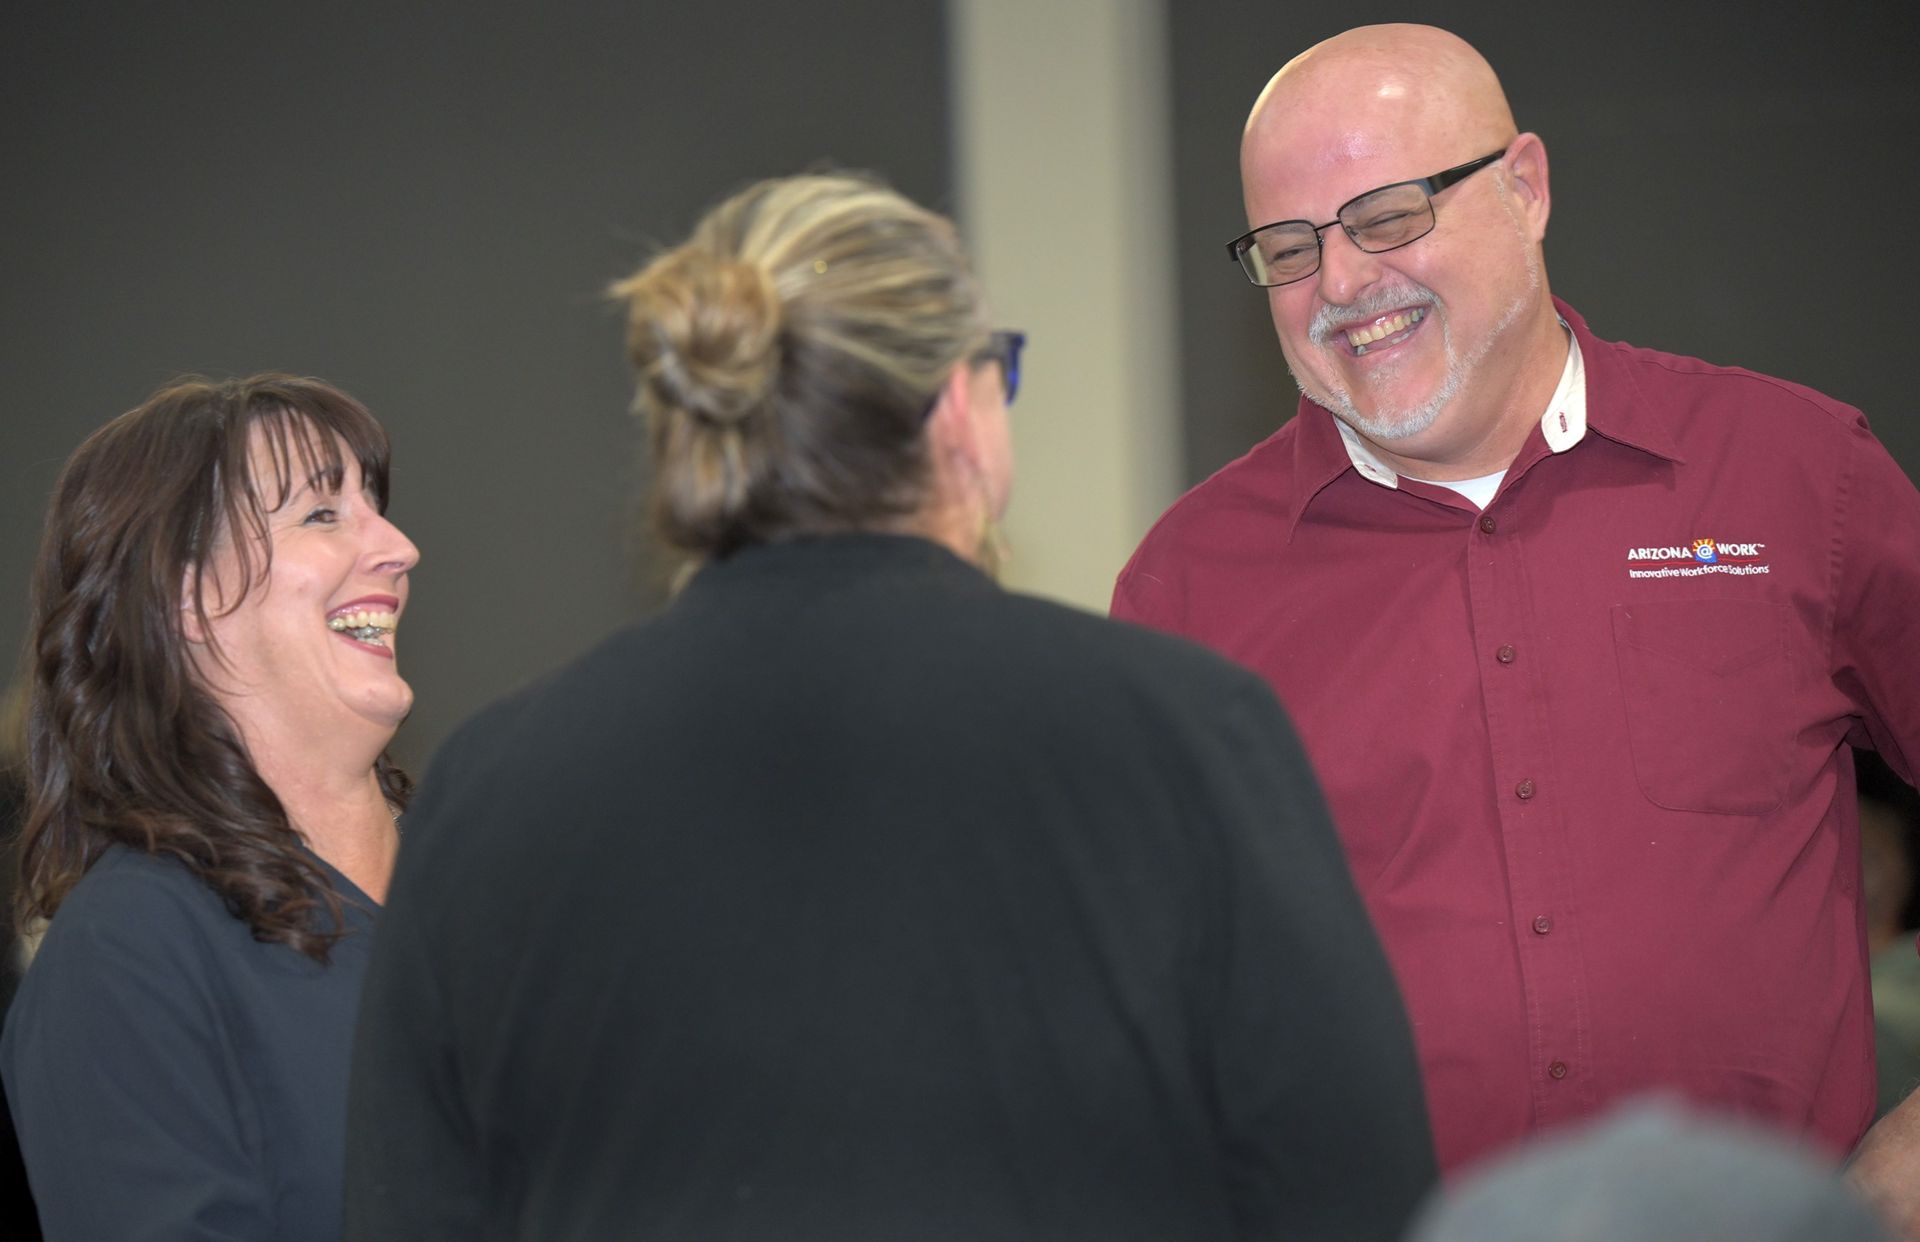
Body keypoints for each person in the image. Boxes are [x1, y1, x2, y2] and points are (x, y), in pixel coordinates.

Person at [342, 172, 1436, 1241]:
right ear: (962, 407)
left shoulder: (490, 793)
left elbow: (411, 1208)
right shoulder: (1190, 736)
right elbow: (1352, 1194)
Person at [1111, 18, 1920, 1203]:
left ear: (1526, 187)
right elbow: (1127, 1015)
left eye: (1388, 217)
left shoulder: (1798, 476)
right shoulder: (1189, 591)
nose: (1341, 283)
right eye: (1288, 248)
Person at [1, 375, 420, 1241]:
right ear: (186, 596)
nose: (401, 548)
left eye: (376, 507)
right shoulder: (133, 948)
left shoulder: (483, 885)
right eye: (322, 514)